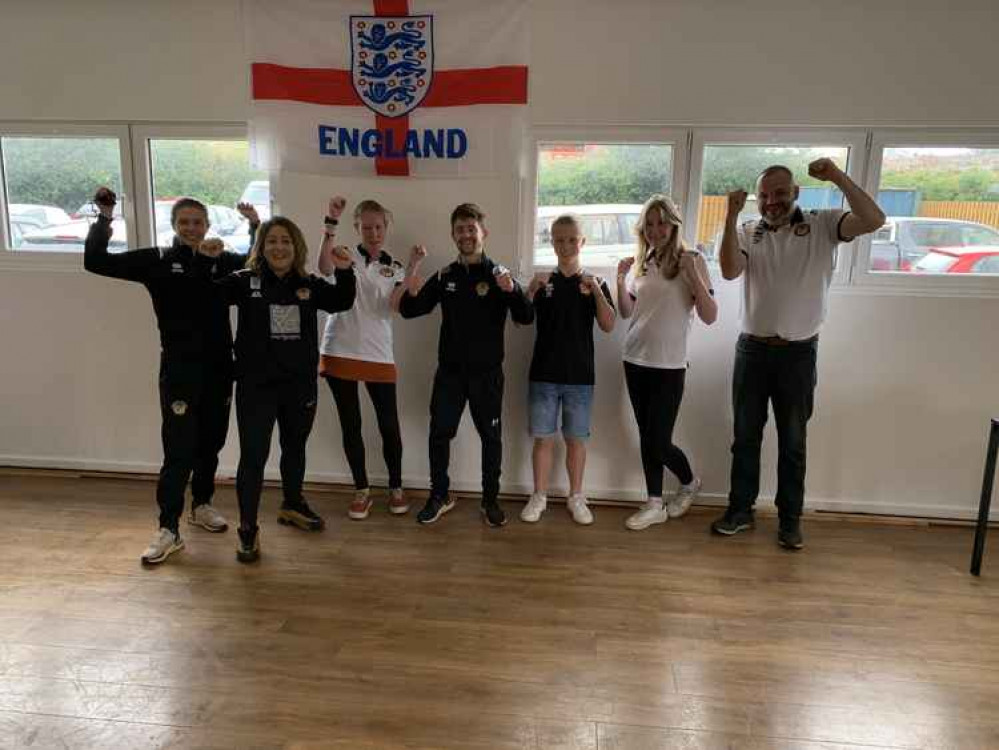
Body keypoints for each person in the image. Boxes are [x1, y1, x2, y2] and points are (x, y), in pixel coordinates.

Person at [711, 160, 885, 550]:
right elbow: (727, 271)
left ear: (796, 193)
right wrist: (730, 214)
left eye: (780, 193)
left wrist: (838, 177)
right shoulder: (746, 228)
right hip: (752, 350)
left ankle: (790, 521)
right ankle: (740, 511)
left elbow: (874, 218)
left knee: (793, 441)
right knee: (744, 437)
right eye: (765, 196)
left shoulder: (824, 223)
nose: (772, 201)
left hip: (798, 354)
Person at [84, 186, 259, 565]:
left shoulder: (222, 260)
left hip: (219, 369)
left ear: (208, 225)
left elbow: (256, 262)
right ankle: (168, 528)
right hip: (180, 370)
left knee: (211, 441)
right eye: (185, 222)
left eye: (198, 222)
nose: (192, 228)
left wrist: (254, 226)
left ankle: (202, 504)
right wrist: (105, 218)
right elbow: (96, 261)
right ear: (174, 225)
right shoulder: (158, 261)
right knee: (179, 449)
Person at [218, 216, 356, 563]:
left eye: (286, 242)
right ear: (261, 247)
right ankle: (247, 530)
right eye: (272, 241)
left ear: (297, 248)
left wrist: (345, 269)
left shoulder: (308, 284)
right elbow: (208, 295)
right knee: (254, 456)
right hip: (256, 387)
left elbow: (341, 300)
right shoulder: (244, 282)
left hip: (299, 386)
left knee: (294, 447)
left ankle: (292, 503)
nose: (279, 248)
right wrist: (207, 259)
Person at [399, 203, 534, 527]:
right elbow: (409, 309)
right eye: (460, 230)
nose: (466, 235)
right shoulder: (446, 275)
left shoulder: (499, 275)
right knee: (439, 435)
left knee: (491, 438)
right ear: (453, 235)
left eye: (471, 228)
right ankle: (440, 495)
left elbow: (526, 317)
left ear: (482, 233)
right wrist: (411, 271)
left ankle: (490, 501)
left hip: (487, 376)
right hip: (450, 374)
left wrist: (513, 290)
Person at [616, 195, 717, 531]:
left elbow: (710, 315)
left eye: (662, 223)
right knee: (648, 436)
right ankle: (655, 502)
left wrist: (694, 276)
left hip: (669, 366)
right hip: (634, 359)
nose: (656, 230)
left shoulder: (693, 260)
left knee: (658, 440)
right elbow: (628, 312)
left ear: (674, 224)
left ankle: (689, 482)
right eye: (650, 224)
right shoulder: (641, 263)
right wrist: (619, 281)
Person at [317, 196, 412, 519]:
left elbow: (395, 308)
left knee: (389, 424)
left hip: (378, 353)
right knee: (351, 423)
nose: (373, 232)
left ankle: (396, 487)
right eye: (367, 227)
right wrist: (330, 222)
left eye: (379, 227)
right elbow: (324, 268)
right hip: (340, 348)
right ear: (357, 227)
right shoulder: (343, 253)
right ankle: (361, 490)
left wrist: (412, 271)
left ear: (386, 228)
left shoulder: (395, 267)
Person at [520, 214, 616, 525]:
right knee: (543, 439)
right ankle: (539, 496)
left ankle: (576, 496)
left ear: (582, 242)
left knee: (576, 439)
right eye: (559, 239)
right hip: (544, 374)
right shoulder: (544, 282)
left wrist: (598, 291)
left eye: (572, 239)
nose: (566, 245)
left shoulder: (594, 283)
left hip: (580, 377)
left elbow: (608, 324)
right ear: (552, 242)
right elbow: (520, 318)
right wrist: (530, 290)